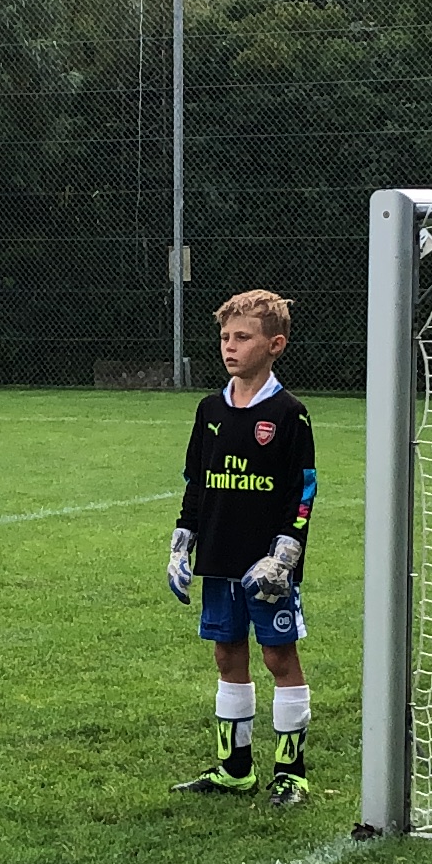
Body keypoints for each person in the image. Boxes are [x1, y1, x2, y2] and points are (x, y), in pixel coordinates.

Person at [167, 289, 318, 805]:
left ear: (275, 345)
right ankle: (235, 769)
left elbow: (303, 492)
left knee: (279, 658)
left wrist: (284, 556)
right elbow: (196, 481)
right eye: (225, 337)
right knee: (227, 654)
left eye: (243, 337)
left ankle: (291, 773)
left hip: (266, 567)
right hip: (219, 557)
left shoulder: (290, 414)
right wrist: (182, 542)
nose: (230, 347)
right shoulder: (210, 409)